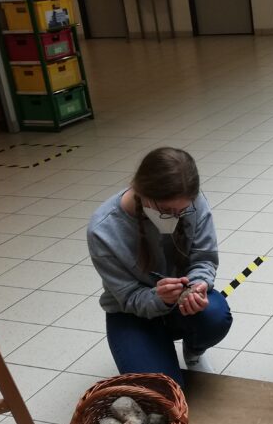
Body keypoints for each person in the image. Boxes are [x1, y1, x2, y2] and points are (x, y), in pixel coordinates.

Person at [87, 147, 231, 385]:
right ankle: (151, 346)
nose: (175, 217)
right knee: (164, 392)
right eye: (165, 210)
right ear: (141, 191)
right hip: (132, 313)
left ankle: (193, 351)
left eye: (182, 211)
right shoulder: (103, 229)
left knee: (215, 316)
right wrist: (159, 298)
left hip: (180, 301)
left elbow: (204, 258)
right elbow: (127, 297)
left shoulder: (194, 201)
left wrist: (197, 286)